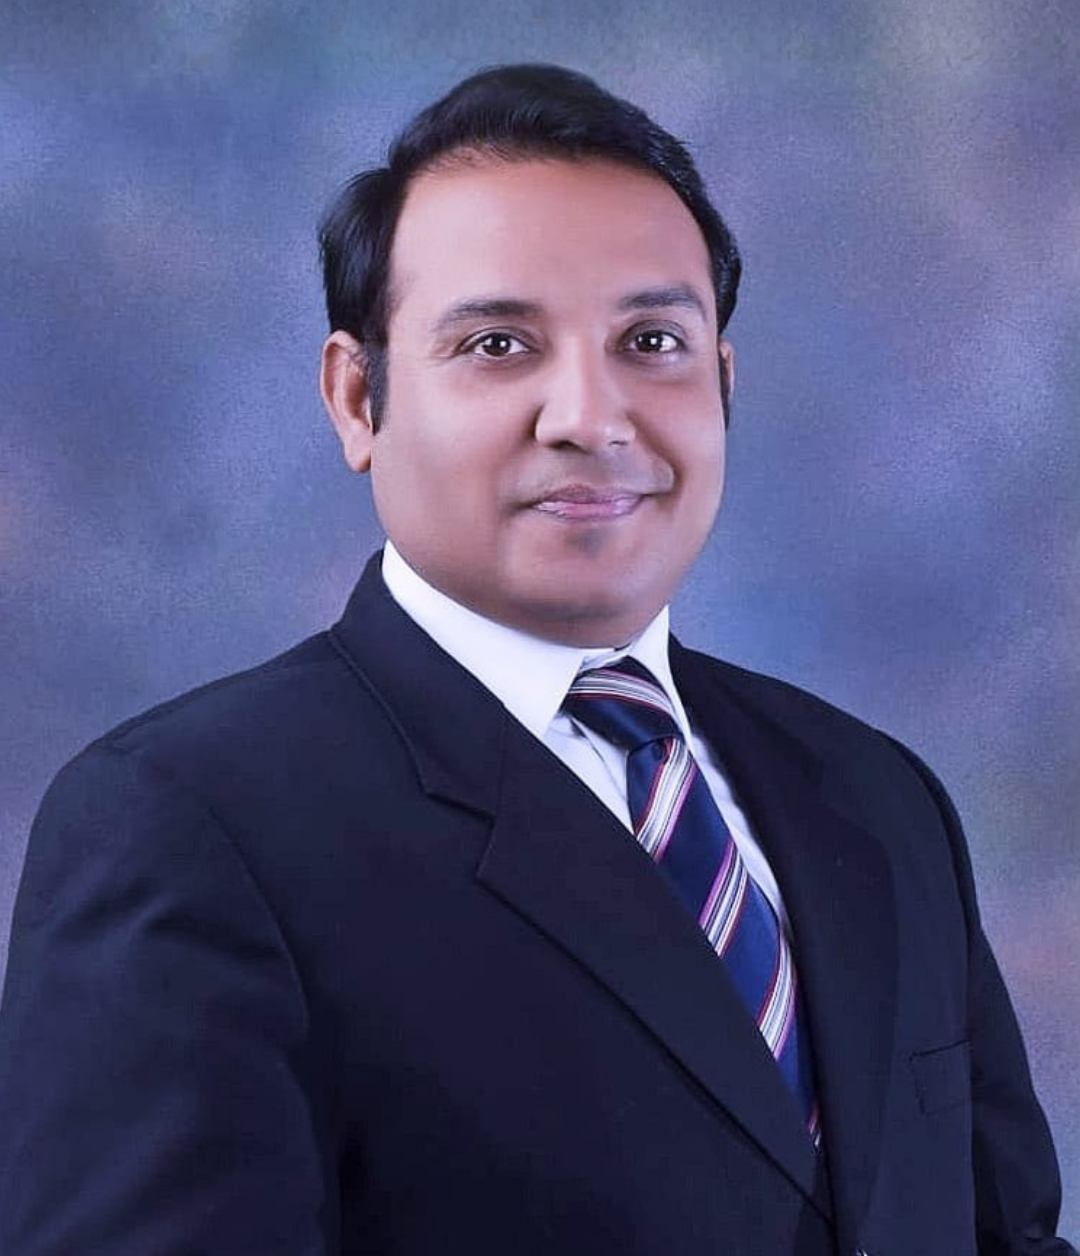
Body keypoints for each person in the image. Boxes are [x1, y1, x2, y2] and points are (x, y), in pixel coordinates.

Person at [0, 63, 1072, 1256]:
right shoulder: (190, 826)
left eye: (652, 341)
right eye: (499, 343)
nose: (591, 418)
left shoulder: (876, 798)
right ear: (357, 398)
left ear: (722, 386)